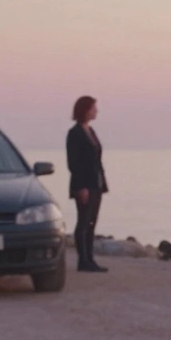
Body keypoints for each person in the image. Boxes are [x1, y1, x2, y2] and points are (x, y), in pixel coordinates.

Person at [66, 95, 109, 273]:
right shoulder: (74, 133)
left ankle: (90, 259)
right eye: (93, 108)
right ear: (85, 110)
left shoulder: (91, 131)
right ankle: (82, 260)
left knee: (92, 221)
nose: (96, 111)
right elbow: (73, 163)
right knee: (83, 222)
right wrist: (81, 187)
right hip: (84, 185)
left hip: (96, 183)